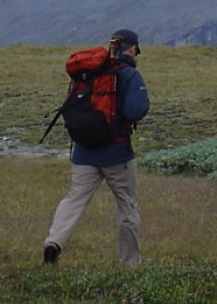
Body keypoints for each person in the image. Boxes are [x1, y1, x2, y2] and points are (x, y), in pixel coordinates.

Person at [43, 28, 150, 267]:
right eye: (136, 49)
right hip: (117, 154)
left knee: (74, 199)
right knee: (127, 206)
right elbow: (137, 109)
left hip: (83, 152)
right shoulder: (128, 75)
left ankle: (53, 242)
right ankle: (130, 263)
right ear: (131, 48)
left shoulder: (88, 73)